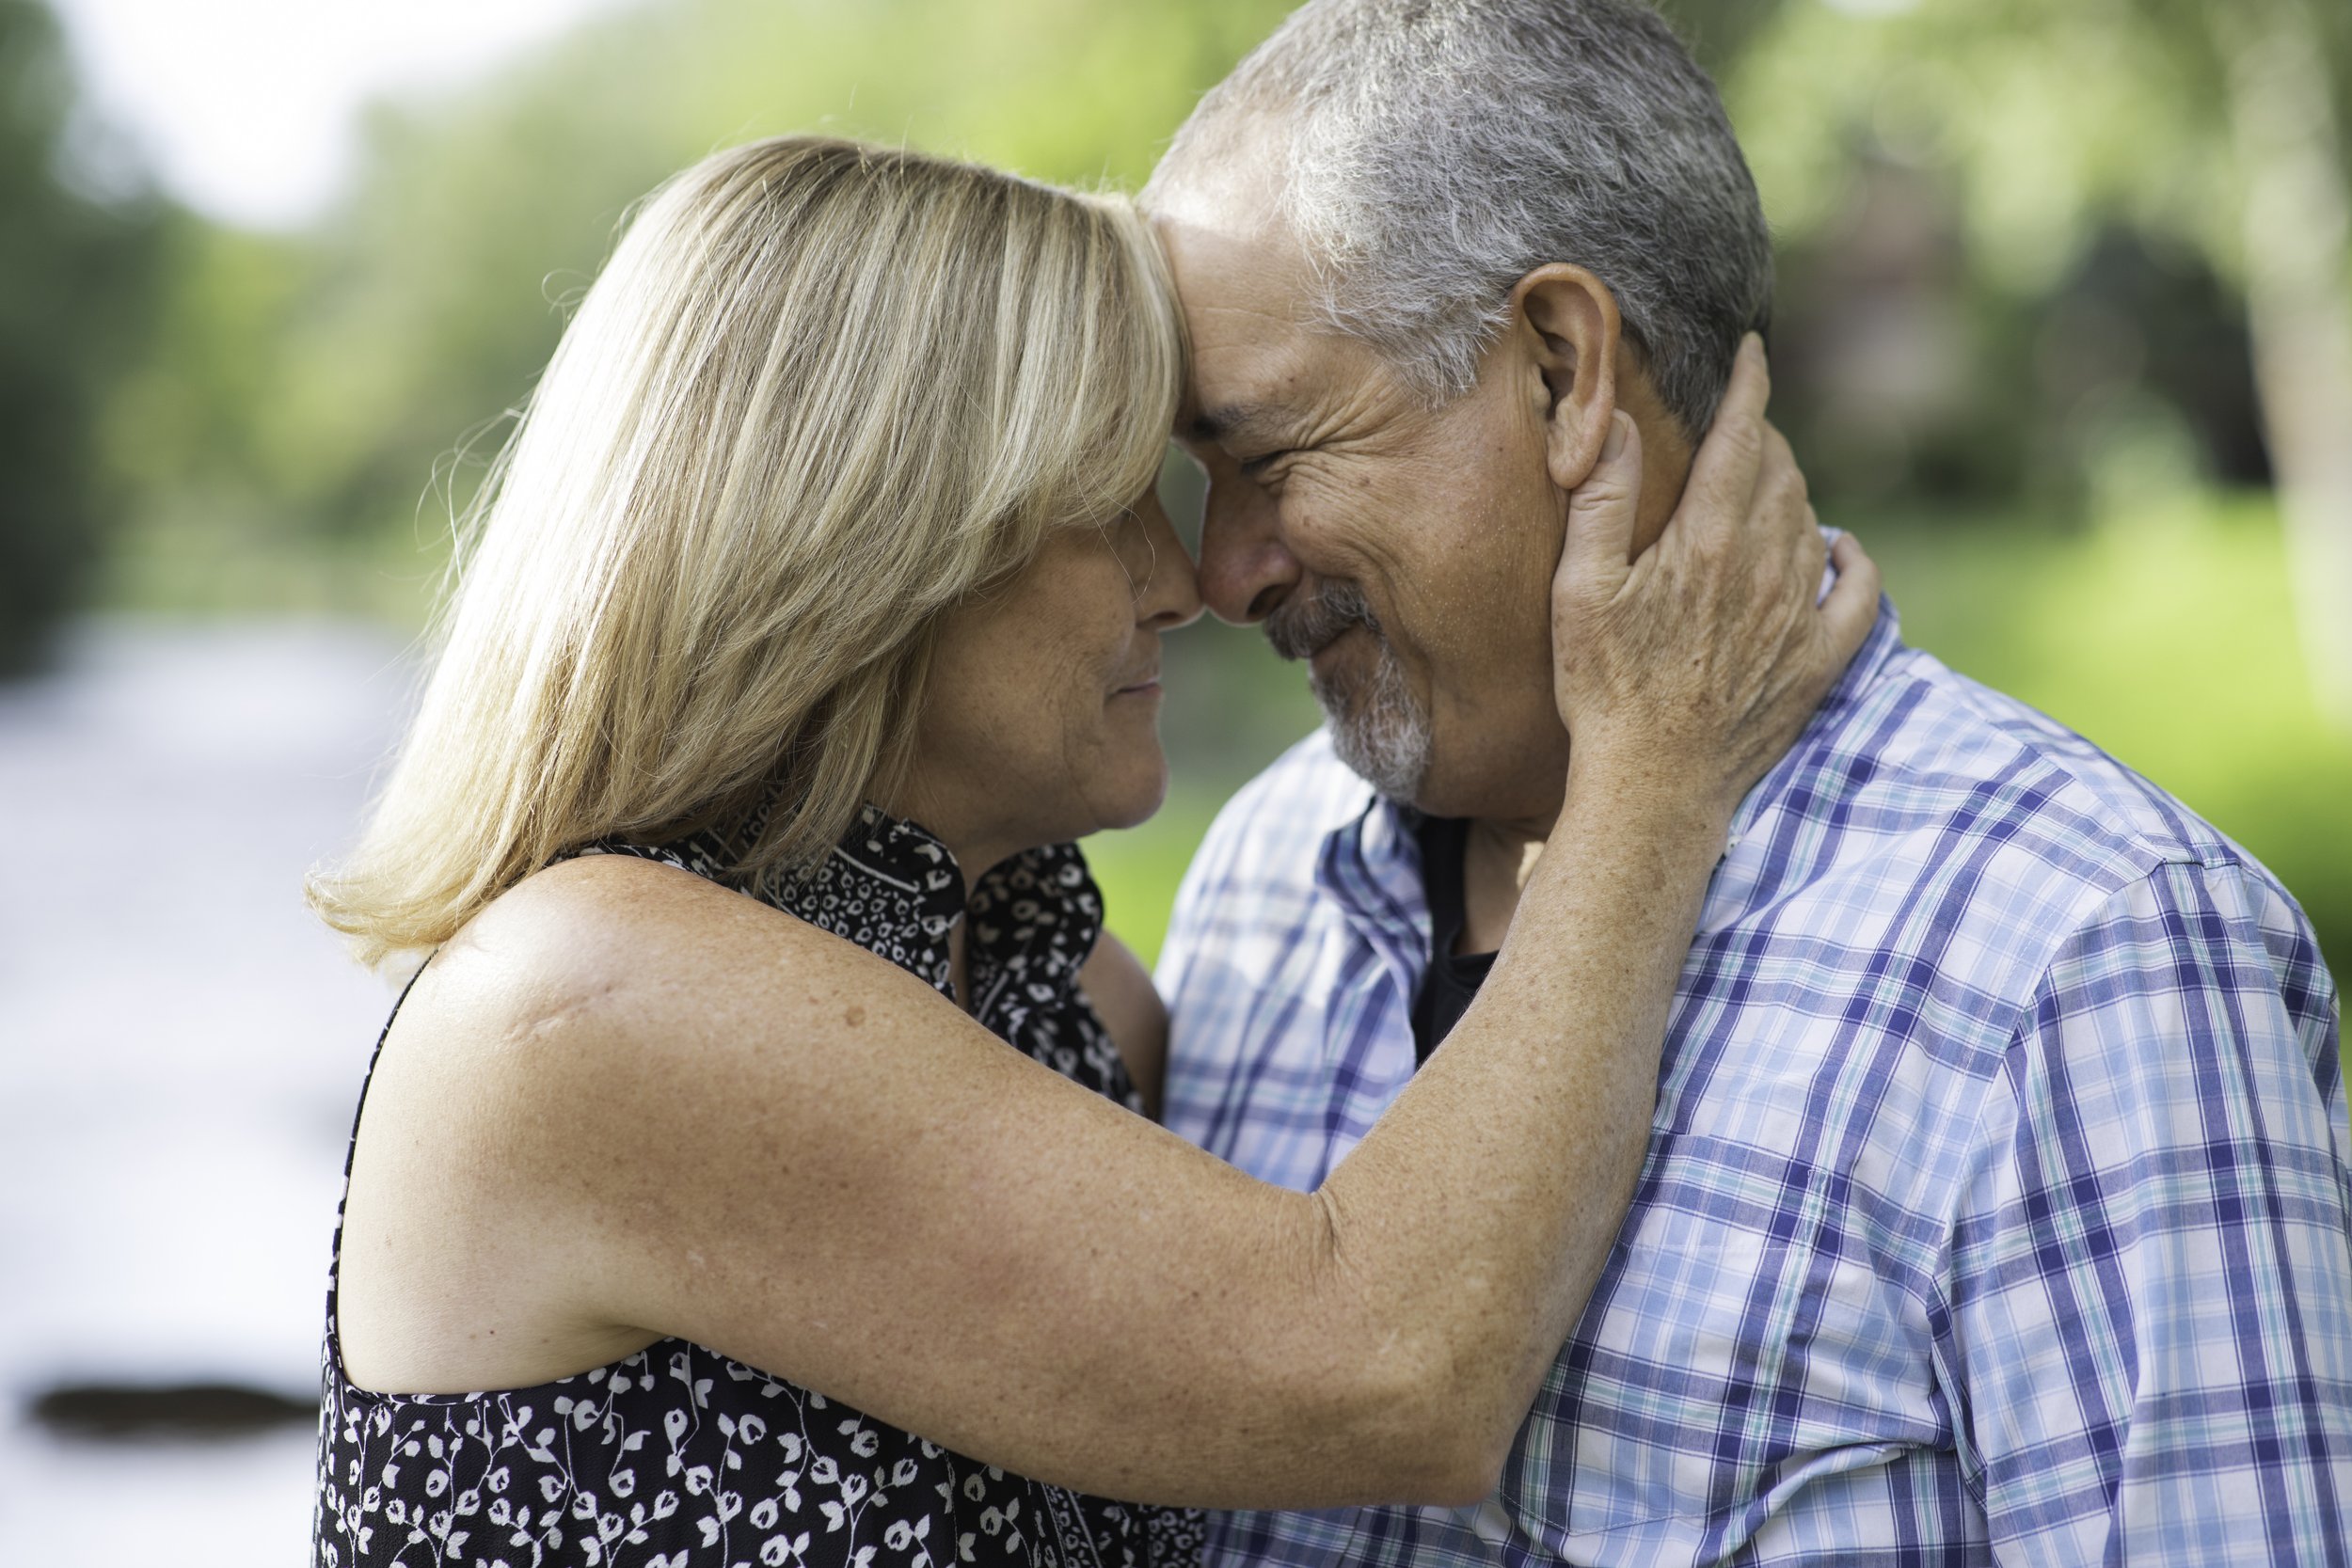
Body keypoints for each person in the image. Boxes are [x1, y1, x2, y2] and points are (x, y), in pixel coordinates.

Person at [304, 135, 1874, 1568]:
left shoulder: (1051, 986)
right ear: (869, 537)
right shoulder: (585, 1005)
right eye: (1109, 497)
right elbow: (1384, 1370)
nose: (1187, 579)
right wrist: (1656, 766)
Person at [1145, 1, 2352, 1563]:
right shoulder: (1261, 881)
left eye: (1273, 458)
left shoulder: (2085, 955)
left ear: (1565, 372)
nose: (1224, 570)